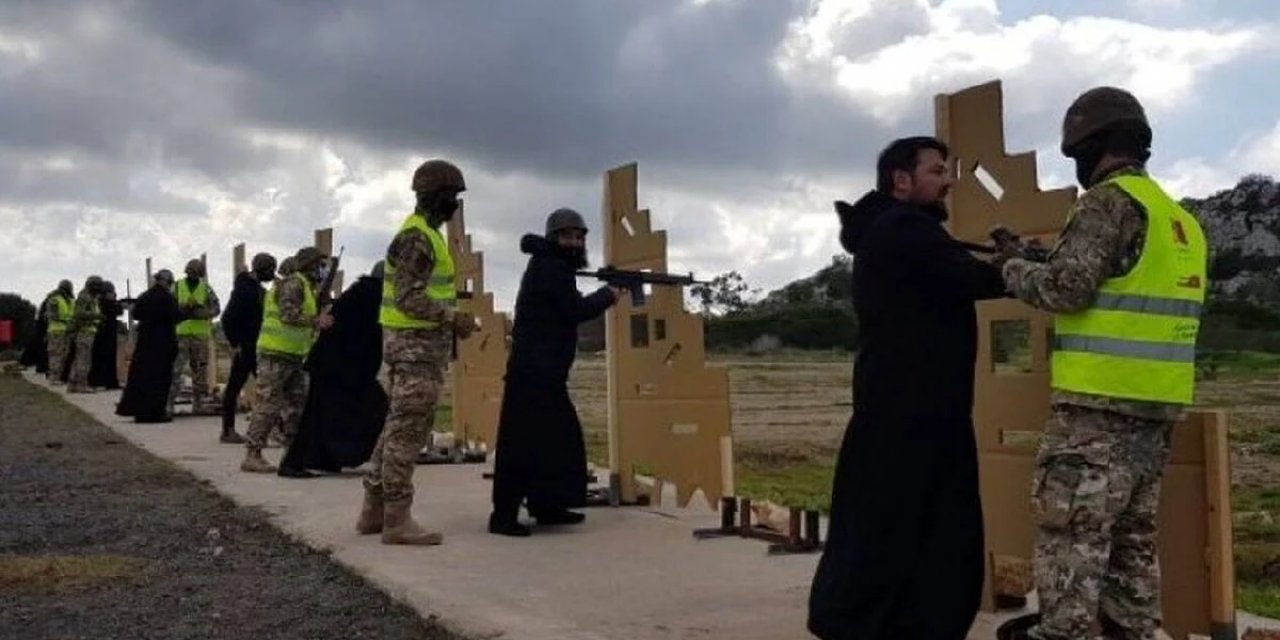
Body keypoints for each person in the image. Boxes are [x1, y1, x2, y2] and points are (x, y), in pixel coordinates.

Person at [995, 87, 1208, 640]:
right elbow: (1117, 280)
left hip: (1095, 416)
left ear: (1094, 147)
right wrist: (1037, 253)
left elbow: (1067, 290)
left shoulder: (1104, 203)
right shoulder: (1176, 219)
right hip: (1154, 413)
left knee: (1071, 539)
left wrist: (1012, 270)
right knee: (1130, 549)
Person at [807, 136, 1009, 640]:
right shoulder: (903, 228)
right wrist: (1020, 264)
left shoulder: (890, 229)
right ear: (901, 179)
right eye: (937, 170)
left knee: (889, 528)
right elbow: (973, 280)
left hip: (903, 409)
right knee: (929, 532)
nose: (948, 180)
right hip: (918, 415)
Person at [355, 159, 478, 546]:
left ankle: (373, 511)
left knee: (395, 430)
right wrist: (451, 318)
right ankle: (397, 519)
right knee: (407, 434)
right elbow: (409, 298)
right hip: (414, 349)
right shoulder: (417, 237)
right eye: (452, 197)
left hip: (415, 348)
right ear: (436, 197)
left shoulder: (426, 235)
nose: (455, 205)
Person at [488, 209, 622, 537]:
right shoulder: (550, 268)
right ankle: (503, 516)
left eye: (579, 236)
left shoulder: (553, 266)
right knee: (521, 446)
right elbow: (574, 310)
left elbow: (568, 306)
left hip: (544, 374)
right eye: (567, 236)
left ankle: (547, 505)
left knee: (556, 443)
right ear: (553, 238)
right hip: (534, 375)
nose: (574, 242)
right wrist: (609, 294)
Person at [279, 261, 388, 477]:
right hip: (341, 368)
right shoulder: (372, 296)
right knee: (374, 407)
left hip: (334, 365)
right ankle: (296, 462)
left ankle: (320, 458)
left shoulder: (361, 292)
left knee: (319, 415)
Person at [241, 247, 333, 473]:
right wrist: (316, 321)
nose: (322, 269)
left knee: (296, 408)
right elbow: (288, 314)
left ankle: (292, 457)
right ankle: (252, 454)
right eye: (320, 265)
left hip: (293, 355)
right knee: (268, 405)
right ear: (310, 264)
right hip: (275, 354)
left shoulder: (307, 287)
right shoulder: (294, 284)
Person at [220, 252, 277, 444]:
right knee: (237, 388)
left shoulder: (255, 289)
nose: (272, 274)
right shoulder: (244, 290)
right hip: (246, 347)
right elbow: (227, 318)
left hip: (255, 346)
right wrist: (235, 343)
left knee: (265, 388)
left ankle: (266, 430)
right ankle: (228, 431)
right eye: (270, 270)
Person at [117, 269, 181, 423]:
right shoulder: (167, 297)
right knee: (159, 379)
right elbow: (176, 316)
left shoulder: (145, 296)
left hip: (145, 343)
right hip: (162, 344)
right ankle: (156, 413)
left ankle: (139, 411)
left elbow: (136, 313)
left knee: (141, 377)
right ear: (166, 281)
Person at [169, 258, 221, 415]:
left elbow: (216, 308)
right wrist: (181, 309)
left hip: (200, 335)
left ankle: (198, 403)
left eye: (196, 273)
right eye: (191, 272)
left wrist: (203, 312)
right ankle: (169, 403)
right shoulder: (177, 287)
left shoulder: (206, 288)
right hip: (181, 335)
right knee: (176, 371)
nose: (193, 275)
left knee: (200, 372)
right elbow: (169, 307)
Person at [67, 275, 105, 393]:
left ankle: (73, 384)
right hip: (85, 331)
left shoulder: (90, 297)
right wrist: (97, 316)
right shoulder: (85, 297)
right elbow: (79, 314)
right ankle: (81, 385)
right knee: (84, 360)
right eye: (97, 285)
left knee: (79, 358)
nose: (99, 288)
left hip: (87, 331)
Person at [88, 281, 123, 390]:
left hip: (106, 333)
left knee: (106, 358)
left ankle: (107, 381)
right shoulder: (104, 304)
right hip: (104, 334)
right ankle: (102, 381)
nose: (114, 294)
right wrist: (118, 303)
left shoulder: (100, 303)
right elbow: (117, 310)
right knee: (103, 358)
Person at [43, 280, 74, 384]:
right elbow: (52, 316)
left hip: (66, 330)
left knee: (63, 355)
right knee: (56, 354)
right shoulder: (55, 299)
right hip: (56, 330)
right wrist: (67, 320)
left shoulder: (69, 300)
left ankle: (59, 376)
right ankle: (54, 377)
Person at [21, 290, 50, 373]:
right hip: (42, 325)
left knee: (37, 345)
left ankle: (31, 362)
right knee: (41, 346)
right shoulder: (47, 304)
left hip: (39, 325)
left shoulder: (44, 304)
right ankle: (40, 366)